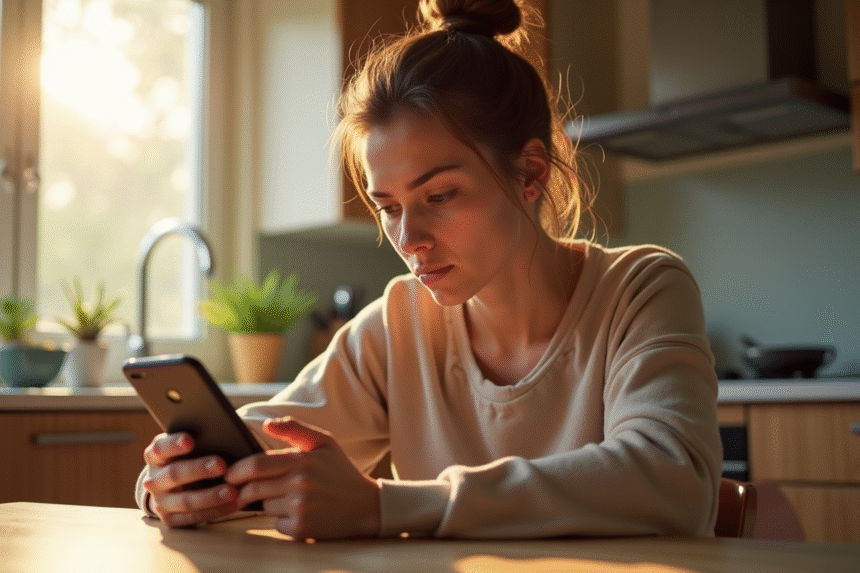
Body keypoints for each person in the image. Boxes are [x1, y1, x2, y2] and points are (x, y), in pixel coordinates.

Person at [137, 0, 722, 540]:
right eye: (388, 207)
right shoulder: (398, 325)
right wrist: (174, 482)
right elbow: (262, 441)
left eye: (439, 195)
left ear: (531, 174)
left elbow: (673, 479)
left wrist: (386, 506)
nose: (408, 240)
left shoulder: (642, 289)